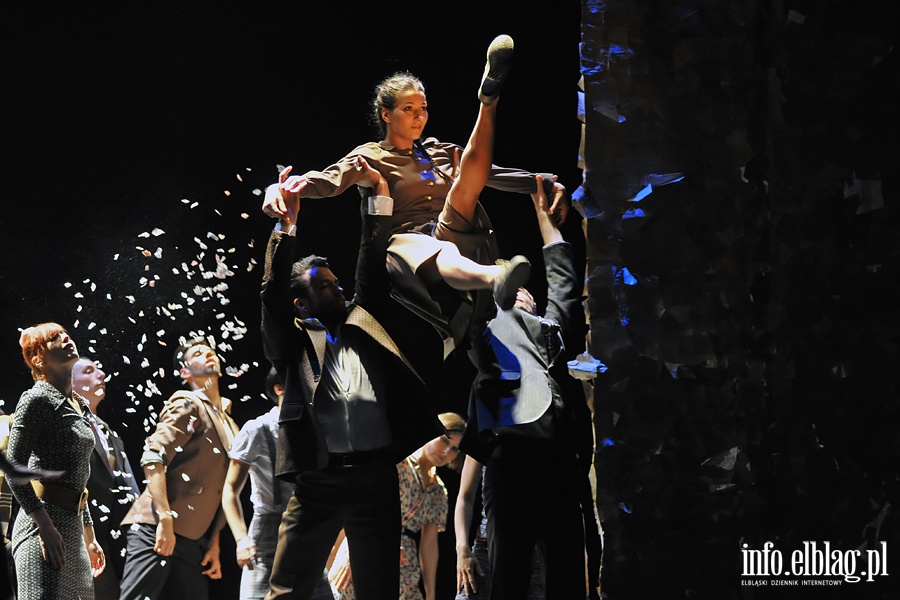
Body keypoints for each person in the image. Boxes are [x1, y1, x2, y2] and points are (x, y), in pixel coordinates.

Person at [263, 34, 568, 357]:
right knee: (427, 242)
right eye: (408, 109)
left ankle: (488, 102)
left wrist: (543, 183)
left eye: (423, 108)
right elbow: (328, 180)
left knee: (465, 184)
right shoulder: (371, 155)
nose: (419, 116)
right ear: (386, 114)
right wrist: (283, 187)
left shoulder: (439, 151)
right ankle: (496, 275)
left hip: (455, 232)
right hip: (409, 252)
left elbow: (489, 173)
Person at [259, 132, 448, 598]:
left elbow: (369, 263)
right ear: (301, 302)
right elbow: (270, 295)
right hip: (319, 477)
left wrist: (378, 199)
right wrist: (285, 227)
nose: (338, 288)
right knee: (287, 588)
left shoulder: (365, 319)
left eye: (336, 281)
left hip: (375, 476)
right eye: (325, 286)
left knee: (378, 590)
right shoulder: (292, 340)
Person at [461, 177, 589, 599]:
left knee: (566, 571)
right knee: (510, 575)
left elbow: (564, 287)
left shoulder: (550, 331)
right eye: (509, 292)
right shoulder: (489, 333)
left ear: (533, 303)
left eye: (523, 293)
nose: (520, 296)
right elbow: (476, 316)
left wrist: (544, 219)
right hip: (510, 456)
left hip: (556, 457)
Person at [118, 338, 239, 600]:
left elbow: (223, 487)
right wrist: (164, 518)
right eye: (198, 352)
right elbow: (153, 456)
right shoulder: (187, 402)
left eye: (210, 350)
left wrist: (214, 541)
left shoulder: (229, 422)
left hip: (193, 536)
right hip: (156, 526)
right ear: (184, 372)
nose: (208, 353)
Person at [6, 323, 106, 599]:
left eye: (66, 335)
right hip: (41, 530)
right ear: (38, 358)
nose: (65, 339)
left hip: (72, 531)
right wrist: (45, 526)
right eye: (54, 338)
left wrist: (90, 536)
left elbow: (77, 476)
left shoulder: (78, 404)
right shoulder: (37, 398)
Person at [328, 412, 466, 600]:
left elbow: (429, 544)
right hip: (366, 544)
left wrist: (431, 592)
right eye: (444, 440)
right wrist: (349, 552)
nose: (446, 452)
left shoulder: (438, 491)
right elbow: (358, 506)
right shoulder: (397, 463)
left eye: (454, 449)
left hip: (404, 563)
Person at [222, 367, 333, 600]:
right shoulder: (257, 429)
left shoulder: (315, 430)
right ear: (279, 389)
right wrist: (242, 539)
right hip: (267, 529)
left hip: (306, 525)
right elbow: (230, 489)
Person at [71, 356, 141, 600]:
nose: (100, 375)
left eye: (99, 370)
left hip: (111, 543)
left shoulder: (109, 431)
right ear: (70, 383)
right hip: (78, 539)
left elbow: (129, 485)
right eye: (89, 371)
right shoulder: (67, 424)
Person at [453, 455, 545, 600]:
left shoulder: (545, 433)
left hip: (534, 551)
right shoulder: (485, 433)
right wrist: (462, 548)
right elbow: (465, 497)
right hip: (486, 548)